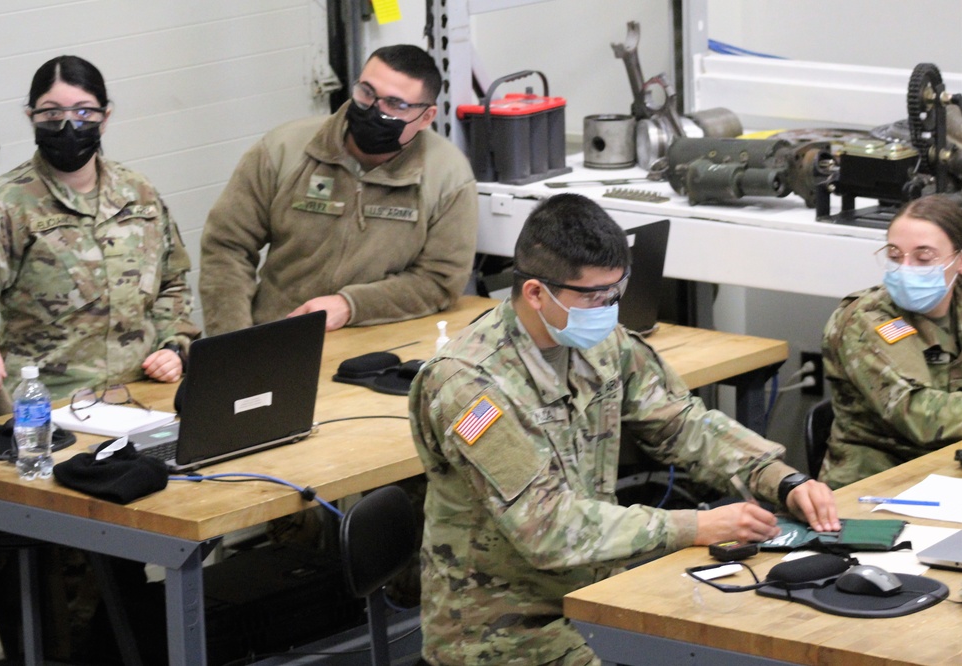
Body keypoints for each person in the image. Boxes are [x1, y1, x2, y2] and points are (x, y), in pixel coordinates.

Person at [409, 193, 838, 666]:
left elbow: (681, 422)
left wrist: (779, 478)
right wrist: (692, 525)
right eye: (594, 295)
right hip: (504, 633)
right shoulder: (469, 385)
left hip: (598, 597)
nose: (608, 308)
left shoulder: (599, 342)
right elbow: (547, 527)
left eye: (616, 292)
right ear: (535, 292)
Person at [0, 54, 200, 664]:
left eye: (83, 112)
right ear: (30, 116)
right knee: (63, 593)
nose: (68, 124)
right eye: (52, 112)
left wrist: (174, 345)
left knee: (124, 572)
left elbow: (175, 283)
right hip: (52, 419)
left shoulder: (138, 193)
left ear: (106, 116)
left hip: (135, 409)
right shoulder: (6, 202)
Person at [199, 44, 478, 335]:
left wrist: (350, 306)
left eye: (396, 105)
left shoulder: (447, 176)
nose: (374, 109)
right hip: (281, 334)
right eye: (366, 93)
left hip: (385, 340)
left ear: (426, 117)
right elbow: (227, 245)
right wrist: (232, 341)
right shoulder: (284, 149)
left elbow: (439, 280)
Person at [821, 194, 962, 489]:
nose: (906, 267)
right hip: (875, 486)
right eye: (895, 256)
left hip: (947, 470)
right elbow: (918, 414)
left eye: (924, 258)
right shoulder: (865, 320)